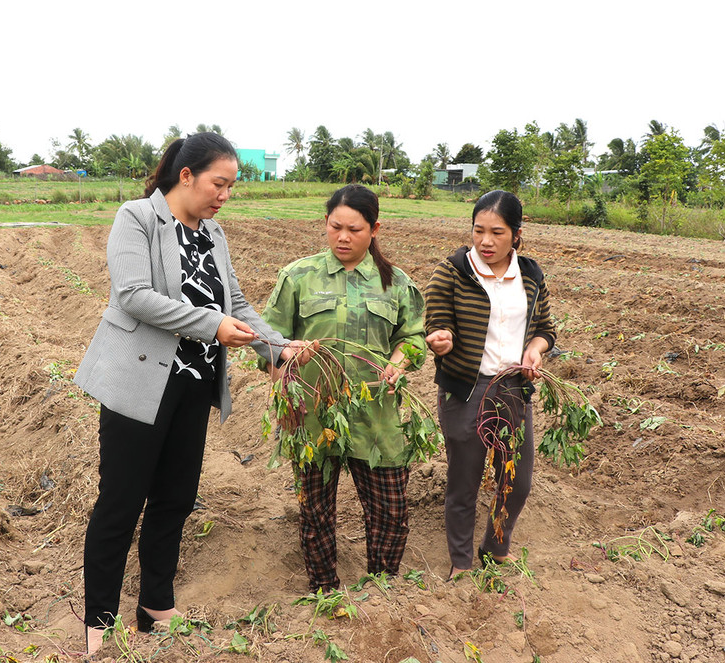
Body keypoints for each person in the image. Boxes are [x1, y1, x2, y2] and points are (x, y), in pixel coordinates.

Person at [74, 132, 310, 656]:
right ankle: (99, 622)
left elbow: (236, 303)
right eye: (218, 184)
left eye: (231, 187)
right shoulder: (138, 217)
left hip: (193, 384)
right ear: (186, 176)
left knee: (175, 499)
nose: (225, 195)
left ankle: (156, 605)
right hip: (139, 382)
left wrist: (277, 346)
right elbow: (133, 296)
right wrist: (212, 325)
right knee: (121, 502)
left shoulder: (213, 233)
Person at [260, 184, 426, 592]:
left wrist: (398, 362)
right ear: (326, 223)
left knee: (390, 510)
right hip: (314, 415)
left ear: (375, 229)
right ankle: (324, 590)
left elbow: (413, 338)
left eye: (355, 229)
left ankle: (382, 588)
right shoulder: (298, 277)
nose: (343, 238)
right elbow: (267, 340)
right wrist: (285, 374)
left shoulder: (396, 283)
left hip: (376, 416)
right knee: (315, 512)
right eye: (336, 227)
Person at [424, 189, 556, 580]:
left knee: (516, 480)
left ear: (516, 234)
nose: (486, 241)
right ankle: (461, 561)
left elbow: (545, 329)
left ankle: (495, 548)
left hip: (512, 389)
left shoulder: (530, 275)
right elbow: (436, 321)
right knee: (464, 481)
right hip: (466, 389)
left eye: (497, 232)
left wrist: (535, 350)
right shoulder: (453, 271)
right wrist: (441, 338)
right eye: (479, 230)